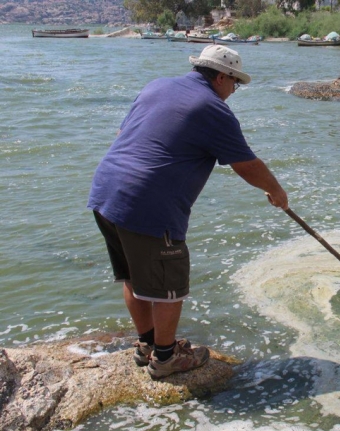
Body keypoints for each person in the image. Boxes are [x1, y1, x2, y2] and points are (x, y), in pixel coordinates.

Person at [88, 45, 288, 379]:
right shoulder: (212, 108)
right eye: (235, 83)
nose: (234, 91)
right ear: (221, 77)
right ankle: (165, 359)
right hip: (148, 205)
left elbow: (123, 135)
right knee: (171, 285)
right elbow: (246, 163)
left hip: (106, 192)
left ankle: (147, 344)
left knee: (133, 276)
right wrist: (276, 191)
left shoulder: (157, 86)